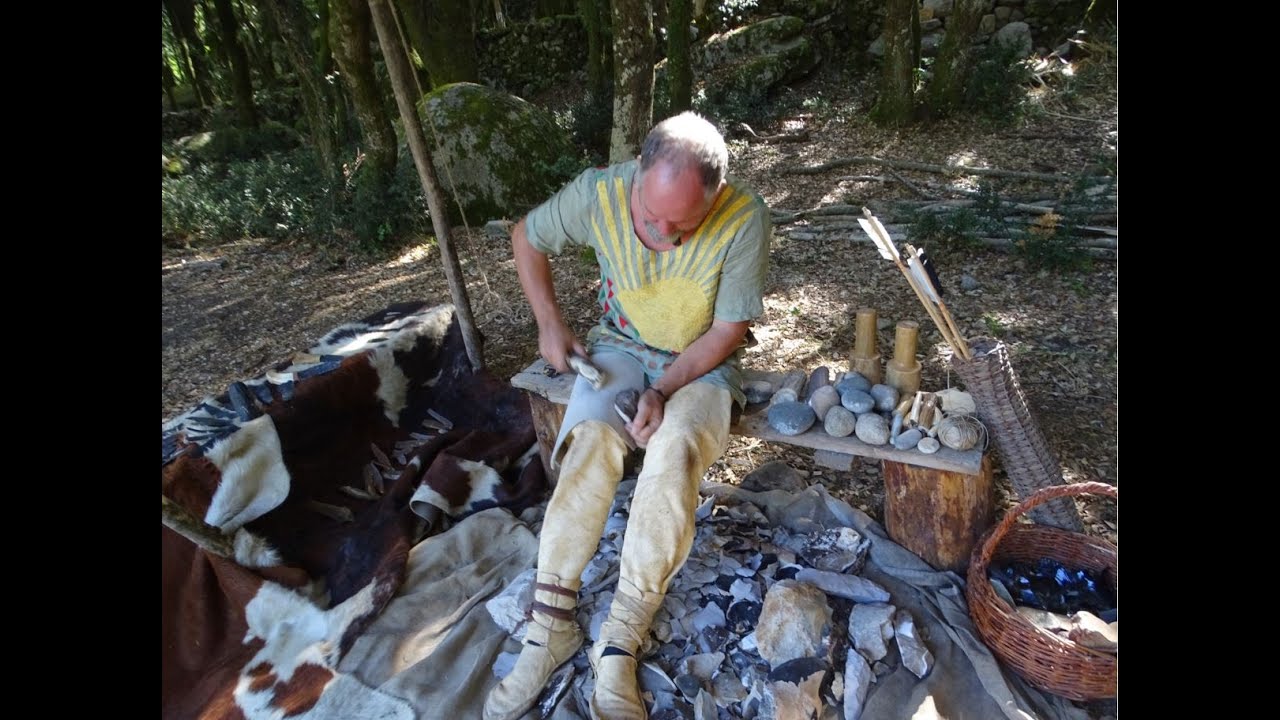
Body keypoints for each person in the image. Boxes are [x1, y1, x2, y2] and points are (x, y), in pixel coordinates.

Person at [484, 111, 771, 720]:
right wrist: (549, 323)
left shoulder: (744, 218)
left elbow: (726, 331)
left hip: (700, 364)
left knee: (674, 450)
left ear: (715, 198)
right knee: (588, 439)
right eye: (650, 217)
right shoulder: (599, 192)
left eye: (682, 225)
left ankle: (621, 636)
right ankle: (551, 626)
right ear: (637, 174)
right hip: (618, 345)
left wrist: (662, 391)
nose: (662, 233)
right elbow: (526, 236)